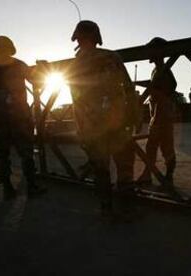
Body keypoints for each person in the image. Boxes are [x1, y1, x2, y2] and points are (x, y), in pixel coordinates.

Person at [69, 20, 137, 219]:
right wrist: (134, 115)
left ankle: (106, 209)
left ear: (77, 38)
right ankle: (127, 208)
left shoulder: (73, 66)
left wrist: (81, 130)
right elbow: (128, 89)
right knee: (124, 166)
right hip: (117, 122)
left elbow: (76, 101)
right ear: (97, 37)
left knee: (100, 169)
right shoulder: (111, 57)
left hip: (91, 127)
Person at [0, 36, 46, 199]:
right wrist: (42, 69)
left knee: (2, 152)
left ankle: (7, 189)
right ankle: (32, 186)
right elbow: (37, 81)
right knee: (26, 151)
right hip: (19, 115)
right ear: (10, 47)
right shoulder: (19, 64)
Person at [137, 37, 177, 191]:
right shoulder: (157, 70)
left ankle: (168, 176)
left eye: (151, 50)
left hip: (163, 114)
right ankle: (148, 174)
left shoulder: (164, 69)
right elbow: (153, 84)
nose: (148, 54)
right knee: (151, 147)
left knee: (166, 147)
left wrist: (151, 89)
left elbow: (169, 88)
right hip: (156, 113)